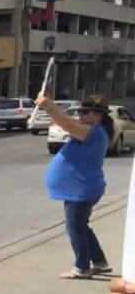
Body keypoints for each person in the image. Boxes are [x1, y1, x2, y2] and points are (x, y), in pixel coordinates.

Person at [37, 94, 111, 279]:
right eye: (80, 111)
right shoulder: (94, 130)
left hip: (81, 190)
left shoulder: (93, 131)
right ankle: (99, 261)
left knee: (75, 228)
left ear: (98, 115)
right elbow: (68, 123)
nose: (81, 115)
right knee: (81, 226)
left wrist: (49, 106)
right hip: (81, 189)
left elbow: (68, 125)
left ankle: (82, 268)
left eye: (86, 112)